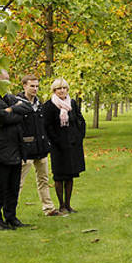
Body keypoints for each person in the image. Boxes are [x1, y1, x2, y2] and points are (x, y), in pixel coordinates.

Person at [0, 70, 33, 230]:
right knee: (0, 186)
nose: (9, 83)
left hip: (15, 149)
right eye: (6, 79)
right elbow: (2, 117)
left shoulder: (8, 97)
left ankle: (11, 217)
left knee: (13, 186)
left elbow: (27, 109)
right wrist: (12, 112)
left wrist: (11, 110)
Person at [17, 74, 61, 216]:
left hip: (41, 149)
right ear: (24, 86)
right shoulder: (17, 103)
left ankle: (48, 208)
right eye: (32, 86)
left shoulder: (39, 104)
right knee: (18, 182)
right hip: (26, 150)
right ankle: (10, 211)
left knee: (44, 180)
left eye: (37, 86)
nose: (35, 89)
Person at [42, 78, 86, 214]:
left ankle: (68, 204)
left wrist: (79, 136)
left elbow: (80, 120)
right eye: (59, 89)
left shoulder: (72, 103)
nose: (62, 91)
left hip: (72, 144)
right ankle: (61, 205)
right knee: (59, 176)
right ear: (54, 90)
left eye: (64, 88)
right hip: (58, 146)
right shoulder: (49, 105)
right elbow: (47, 126)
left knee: (70, 176)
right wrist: (56, 141)